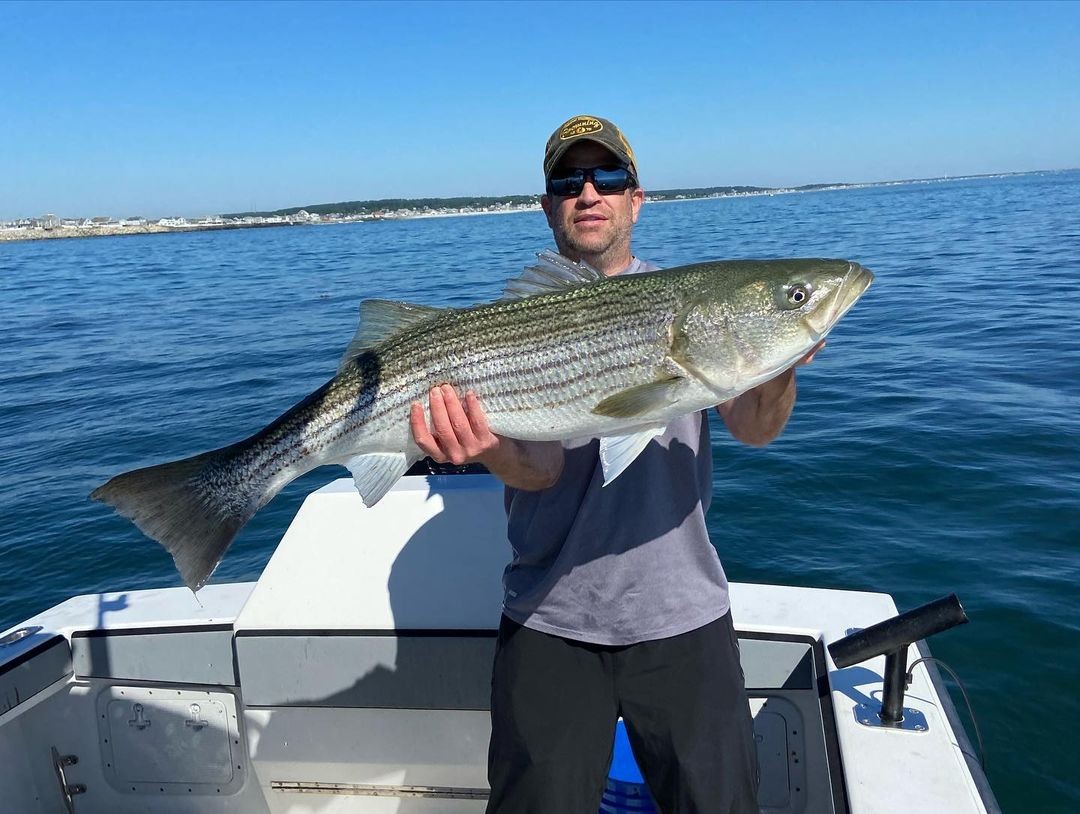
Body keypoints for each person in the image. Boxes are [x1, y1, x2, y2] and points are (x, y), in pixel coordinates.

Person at [410, 114, 821, 813]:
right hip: (549, 618)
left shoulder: (696, 304)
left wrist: (779, 358)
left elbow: (755, 428)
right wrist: (486, 447)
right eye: (569, 180)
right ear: (548, 207)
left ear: (637, 198)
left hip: (683, 615)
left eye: (609, 177)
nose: (589, 192)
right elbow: (538, 474)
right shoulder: (513, 323)